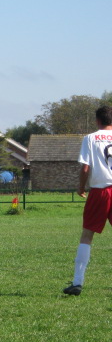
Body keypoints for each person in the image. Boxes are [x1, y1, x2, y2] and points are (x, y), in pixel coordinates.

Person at [64, 105, 112, 296]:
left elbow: (85, 168)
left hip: (99, 191)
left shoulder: (90, 138)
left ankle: (77, 282)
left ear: (97, 120)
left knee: (87, 236)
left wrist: (81, 187)